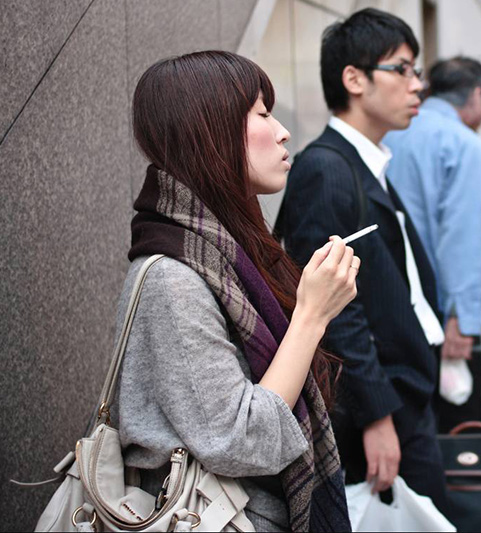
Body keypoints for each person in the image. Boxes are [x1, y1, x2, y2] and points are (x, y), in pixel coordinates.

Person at [118, 51, 356, 532]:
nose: (284, 131)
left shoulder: (229, 250)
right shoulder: (173, 277)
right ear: (210, 132)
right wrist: (312, 315)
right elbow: (239, 440)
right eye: (263, 114)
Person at [275, 8, 448, 510]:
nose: (418, 85)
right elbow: (332, 311)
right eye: (403, 68)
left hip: (404, 395)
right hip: (381, 406)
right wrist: (376, 416)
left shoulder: (363, 160)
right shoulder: (326, 170)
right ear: (354, 78)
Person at [384, 56, 481, 433]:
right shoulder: (464, 144)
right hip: (443, 312)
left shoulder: (390, 131)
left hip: (393, 308)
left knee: (413, 425)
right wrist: (462, 319)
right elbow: (461, 239)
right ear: (476, 95)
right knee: (461, 430)